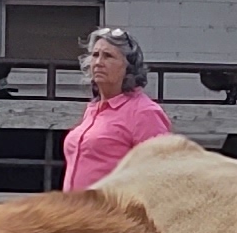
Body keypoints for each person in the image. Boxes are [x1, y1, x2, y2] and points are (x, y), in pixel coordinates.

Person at [62, 26, 171, 188]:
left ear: (128, 67)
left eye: (108, 56)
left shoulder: (144, 112)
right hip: (74, 204)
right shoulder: (93, 109)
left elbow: (159, 177)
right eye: (95, 55)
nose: (98, 63)